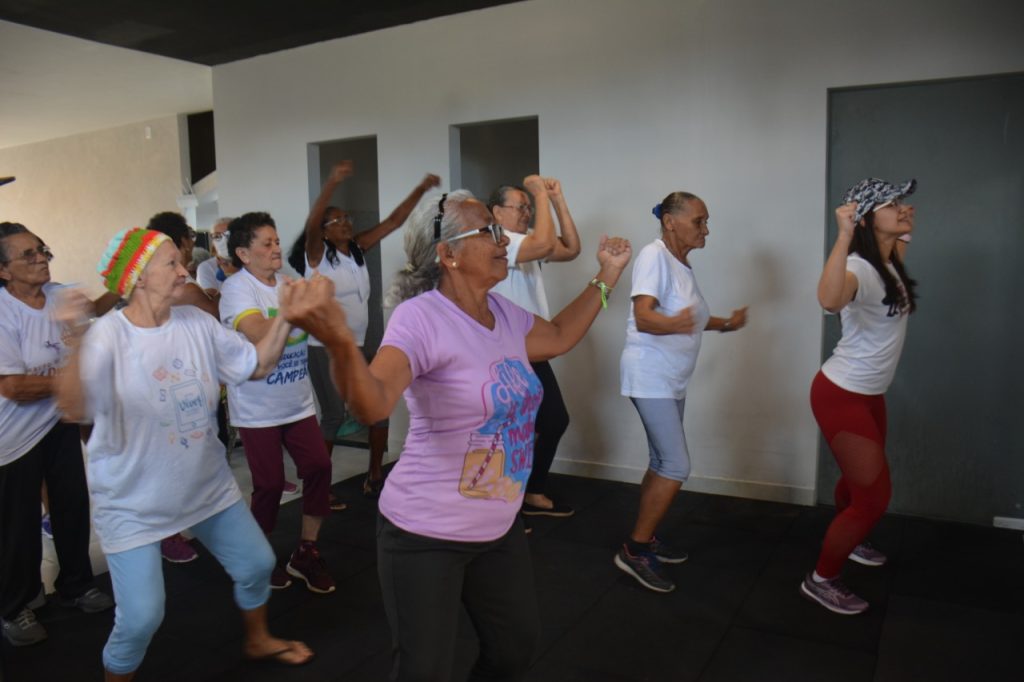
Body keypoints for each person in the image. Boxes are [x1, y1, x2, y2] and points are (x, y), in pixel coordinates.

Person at [283, 189, 631, 681]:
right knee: (424, 671)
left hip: (498, 526)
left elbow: (556, 337)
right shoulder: (420, 318)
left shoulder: (505, 314)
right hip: (425, 534)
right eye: (488, 230)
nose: (503, 238)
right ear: (448, 255)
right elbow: (374, 402)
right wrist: (340, 342)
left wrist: (607, 275)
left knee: (514, 649)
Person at [55, 227, 313, 679]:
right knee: (141, 619)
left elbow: (257, 365)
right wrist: (76, 338)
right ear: (138, 277)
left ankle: (257, 639)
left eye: (182, 261)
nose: (184, 270)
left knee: (256, 563)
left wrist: (288, 316)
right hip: (134, 503)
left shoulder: (196, 324)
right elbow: (73, 408)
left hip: (205, 488)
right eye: (172, 263)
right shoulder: (107, 338)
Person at [616, 192, 749, 593]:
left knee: (661, 460)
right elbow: (644, 317)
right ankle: (635, 550)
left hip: (670, 378)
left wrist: (725, 324)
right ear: (671, 222)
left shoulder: (681, 265)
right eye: (699, 221)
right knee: (676, 465)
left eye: (707, 222)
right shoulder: (653, 256)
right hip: (650, 375)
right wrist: (676, 324)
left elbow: (692, 318)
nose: (706, 229)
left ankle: (646, 536)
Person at [801, 177, 918, 615]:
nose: (904, 209)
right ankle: (821, 579)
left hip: (870, 395)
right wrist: (845, 232)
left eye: (904, 202)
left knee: (858, 481)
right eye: (893, 205)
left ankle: (852, 539)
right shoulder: (859, 267)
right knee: (873, 497)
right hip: (841, 394)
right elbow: (829, 299)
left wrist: (900, 224)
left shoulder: (888, 263)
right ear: (867, 219)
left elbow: (898, 239)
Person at [288, 162, 440, 497]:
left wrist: (421, 188)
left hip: (358, 344)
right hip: (323, 347)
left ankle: (374, 474)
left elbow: (393, 222)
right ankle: (319, 488)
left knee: (380, 407)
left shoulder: (356, 250)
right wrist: (331, 182)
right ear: (324, 230)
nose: (345, 223)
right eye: (337, 220)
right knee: (332, 417)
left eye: (346, 218)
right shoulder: (318, 257)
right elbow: (313, 221)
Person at [0, 222, 114, 647]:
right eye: (27, 255)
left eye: (41, 249)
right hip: (11, 435)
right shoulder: (3, 312)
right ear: (3, 271)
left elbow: (93, 314)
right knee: (18, 525)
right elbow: (12, 386)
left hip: (55, 422)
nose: (40, 258)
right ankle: (15, 607)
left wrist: (121, 288)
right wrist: (71, 381)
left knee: (71, 506)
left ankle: (76, 585)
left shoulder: (59, 293)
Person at [220, 212, 336, 593]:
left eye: (275, 241)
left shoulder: (287, 284)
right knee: (268, 485)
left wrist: (317, 304)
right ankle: (259, 555)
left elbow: (321, 323)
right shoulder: (238, 289)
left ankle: (307, 550)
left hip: (297, 402)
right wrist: (295, 310)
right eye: (266, 243)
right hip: (257, 409)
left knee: (318, 466)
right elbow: (256, 333)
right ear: (243, 252)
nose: (275, 249)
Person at [488, 177, 581, 518]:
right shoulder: (498, 240)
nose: (527, 212)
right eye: (521, 206)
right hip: (507, 350)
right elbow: (545, 245)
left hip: (532, 347)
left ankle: (528, 492)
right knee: (514, 427)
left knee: (552, 420)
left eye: (529, 207)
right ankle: (506, 504)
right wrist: (541, 193)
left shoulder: (526, 241)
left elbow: (571, 248)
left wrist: (557, 198)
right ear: (497, 212)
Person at [146, 212, 218, 317]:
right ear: (184, 242)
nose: (193, 243)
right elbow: (218, 317)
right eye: (191, 237)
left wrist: (204, 295)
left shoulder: (155, 279)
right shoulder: (185, 288)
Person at [196, 217, 239, 298]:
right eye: (217, 236)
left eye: (227, 236)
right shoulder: (206, 267)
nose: (223, 241)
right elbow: (211, 301)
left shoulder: (248, 262)